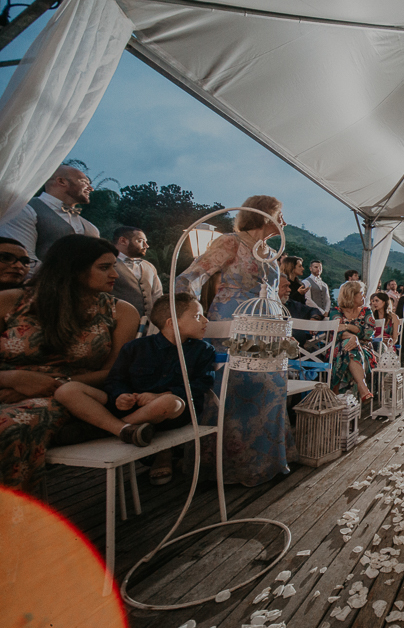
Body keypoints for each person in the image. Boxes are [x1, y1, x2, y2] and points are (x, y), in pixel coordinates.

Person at [0, 235, 139, 492]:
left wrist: (53, 385)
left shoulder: (122, 312)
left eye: (114, 267)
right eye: (104, 267)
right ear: (73, 268)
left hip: (73, 393)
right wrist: (14, 380)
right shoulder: (11, 301)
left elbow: (112, 371)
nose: (115, 275)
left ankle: (16, 523)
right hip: (7, 385)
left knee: (9, 426)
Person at [175, 195, 295, 487]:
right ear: (264, 215)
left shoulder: (268, 250)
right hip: (232, 320)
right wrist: (187, 311)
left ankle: (263, 462)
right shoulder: (231, 242)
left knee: (272, 383)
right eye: (280, 215)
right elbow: (192, 276)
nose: (284, 221)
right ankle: (223, 465)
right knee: (233, 384)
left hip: (265, 321)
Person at [54, 293, 214, 486]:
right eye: (197, 316)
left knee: (170, 403)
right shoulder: (135, 348)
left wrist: (161, 395)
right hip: (130, 406)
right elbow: (115, 380)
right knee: (67, 390)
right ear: (172, 322)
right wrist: (120, 395)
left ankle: (102, 429)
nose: (205, 320)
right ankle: (123, 429)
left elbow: (202, 383)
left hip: (169, 412)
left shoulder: (203, 351)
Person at [0, 165, 99, 271]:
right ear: (61, 181)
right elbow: (25, 260)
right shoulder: (25, 209)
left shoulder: (91, 228)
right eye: (84, 182)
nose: (91, 188)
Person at [329, 281, 375, 401]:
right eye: (361, 293)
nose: (364, 296)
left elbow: (368, 333)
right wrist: (354, 337)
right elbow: (337, 332)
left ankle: (337, 389)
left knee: (348, 348)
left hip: (364, 348)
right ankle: (362, 386)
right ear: (351, 295)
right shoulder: (335, 311)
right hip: (339, 348)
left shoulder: (366, 311)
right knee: (348, 346)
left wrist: (348, 327)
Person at [111, 226, 164, 322]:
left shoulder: (149, 267)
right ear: (123, 241)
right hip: (118, 326)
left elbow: (157, 296)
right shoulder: (107, 264)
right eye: (140, 241)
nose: (146, 245)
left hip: (148, 329)